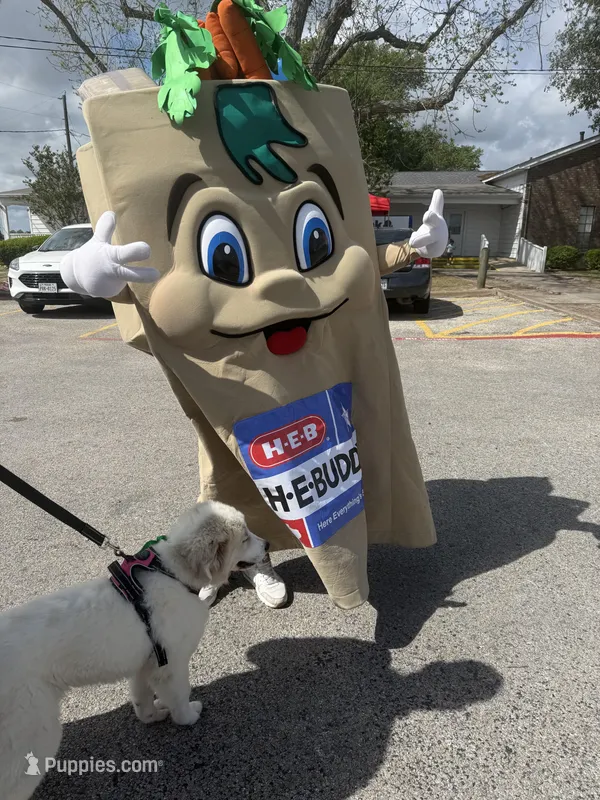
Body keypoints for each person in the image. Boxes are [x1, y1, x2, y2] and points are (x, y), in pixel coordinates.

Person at [61, 3, 448, 611]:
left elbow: (342, 258)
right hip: (234, 371)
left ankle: (322, 549)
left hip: (312, 366)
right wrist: (86, 273)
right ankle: (248, 563)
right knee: (231, 469)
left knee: (326, 459)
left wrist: (409, 249)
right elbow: (151, 266)